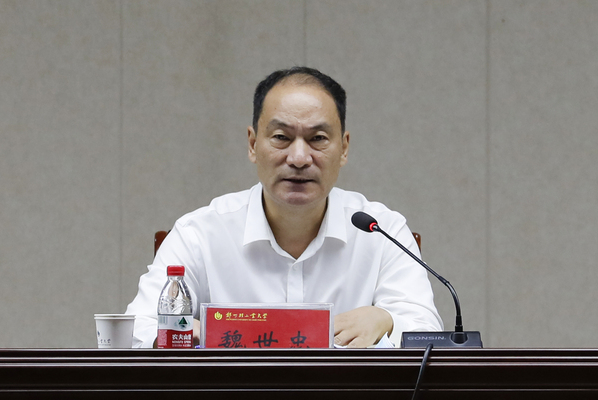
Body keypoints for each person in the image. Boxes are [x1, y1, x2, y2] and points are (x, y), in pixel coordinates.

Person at [125, 66, 443, 348]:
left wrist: (386, 320)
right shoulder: (201, 233)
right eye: (281, 137)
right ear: (253, 144)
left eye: (318, 138)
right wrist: (187, 331)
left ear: (344, 148)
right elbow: (137, 330)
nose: (299, 158)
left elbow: (427, 332)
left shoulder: (381, 231)